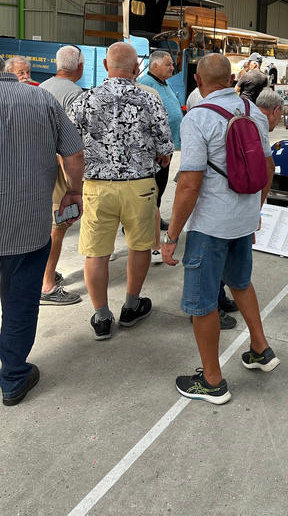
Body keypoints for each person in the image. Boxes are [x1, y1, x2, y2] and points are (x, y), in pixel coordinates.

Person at [161, 54, 278, 404]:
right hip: (243, 220)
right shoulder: (254, 112)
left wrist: (171, 236)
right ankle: (260, 349)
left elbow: (189, 184)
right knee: (240, 282)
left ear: (198, 81)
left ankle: (212, 381)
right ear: (231, 79)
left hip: (211, 225)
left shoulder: (198, 118)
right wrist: (255, 211)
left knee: (201, 302)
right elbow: (268, 168)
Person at [69, 42, 174, 341]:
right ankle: (131, 306)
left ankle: (102, 317)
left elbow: (70, 146)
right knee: (139, 246)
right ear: (137, 68)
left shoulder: (84, 99)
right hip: (139, 186)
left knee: (96, 253)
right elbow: (165, 148)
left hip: (97, 187)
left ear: (105, 65)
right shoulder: (150, 99)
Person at [0, 55, 84, 405]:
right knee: (19, 302)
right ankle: (13, 377)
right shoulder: (39, 98)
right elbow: (74, 153)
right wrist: (74, 191)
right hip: (25, 224)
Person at [38, 45, 86, 304]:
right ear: (80, 66)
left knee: (48, 225)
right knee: (59, 226)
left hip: (41, 165)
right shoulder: (76, 94)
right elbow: (74, 144)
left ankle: (44, 272)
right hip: (61, 167)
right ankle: (47, 285)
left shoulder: (41, 87)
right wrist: (72, 184)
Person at [137, 50, 183, 236]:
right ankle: (141, 221)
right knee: (151, 186)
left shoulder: (164, 83)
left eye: (172, 64)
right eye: (168, 64)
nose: (172, 68)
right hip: (154, 148)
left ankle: (153, 217)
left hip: (166, 146)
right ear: (155, 65)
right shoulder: (145, 84)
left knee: (161, 184)